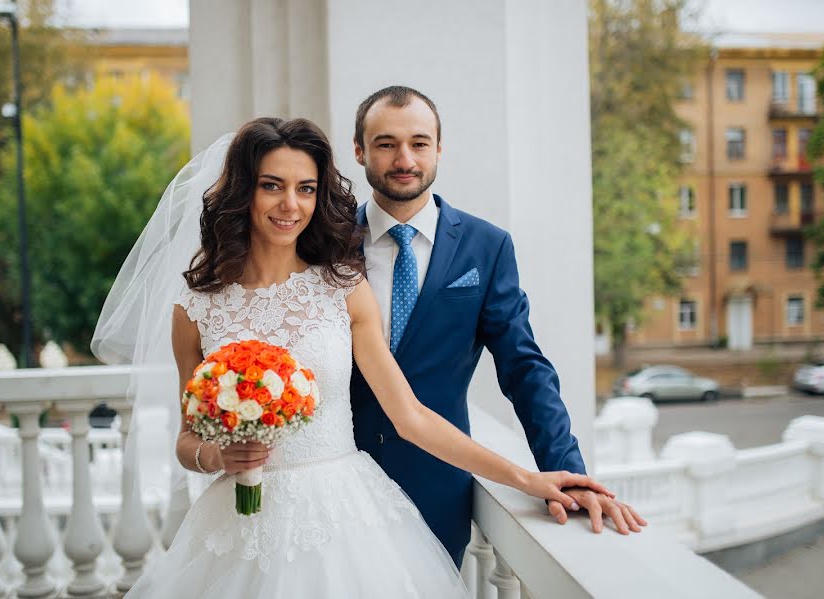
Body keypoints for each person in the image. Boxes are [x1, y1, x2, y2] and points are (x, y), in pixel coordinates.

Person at [103, 117, 614, 597]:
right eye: (271, 185)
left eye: (305, 189)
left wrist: (527, 478)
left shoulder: (343, 288)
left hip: (345, 518)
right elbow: (187, 441)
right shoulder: (195, 307)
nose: (290, 205)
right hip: (239, 530)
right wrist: (218, 456)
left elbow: (410, 417)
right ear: (243, 191)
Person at [348, 86, 646, 566]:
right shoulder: (323, 243)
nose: (404, 158)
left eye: (419, 143)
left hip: (437, 487)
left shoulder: (487, 247)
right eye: (386, 143)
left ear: (439, 149)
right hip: (338, 483)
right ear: (360, 150)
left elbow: (523, 366)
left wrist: (566, 471)